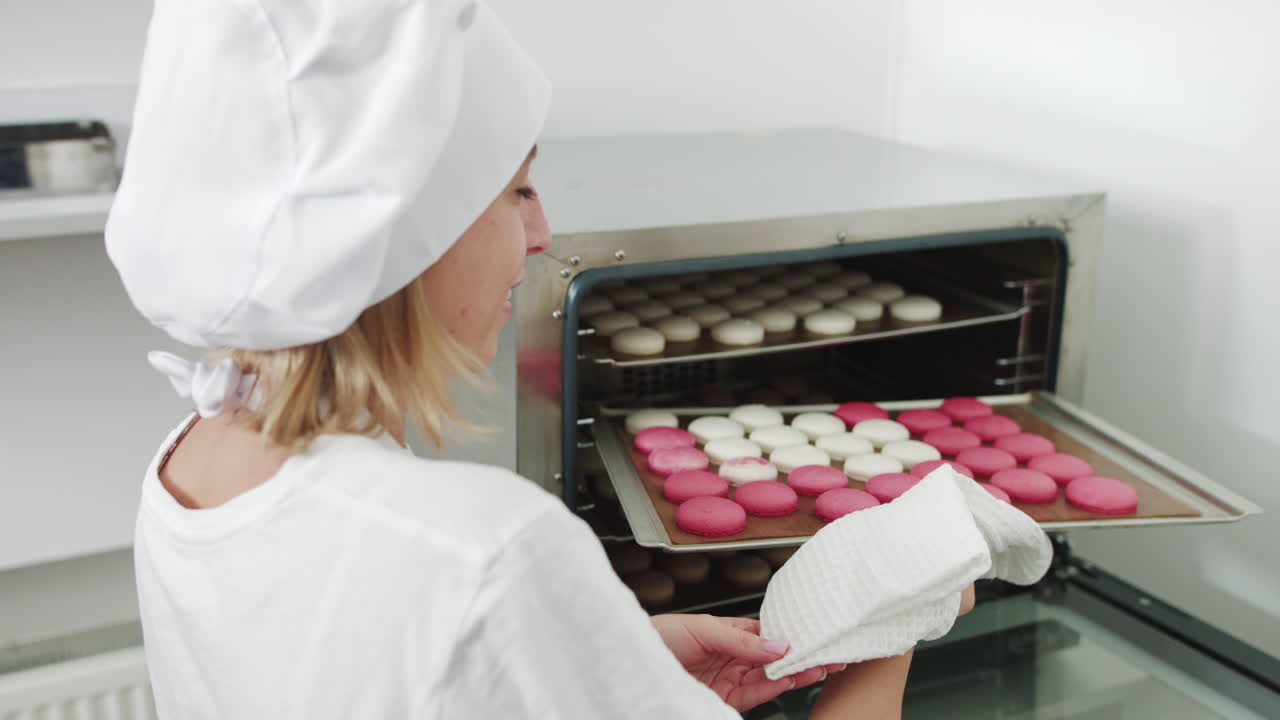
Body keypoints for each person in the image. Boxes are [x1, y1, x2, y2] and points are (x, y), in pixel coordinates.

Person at [106, 1, 971, 717]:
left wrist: (611, 666)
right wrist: (886, 633)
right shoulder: (485, 547)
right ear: (410, 233)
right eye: (516, 188)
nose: (542, 233)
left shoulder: (187, 464)